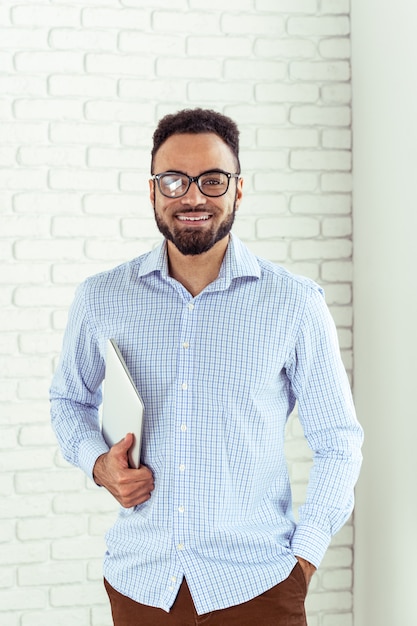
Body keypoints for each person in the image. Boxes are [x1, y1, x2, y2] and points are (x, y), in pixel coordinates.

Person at [50, 108, 363, 625]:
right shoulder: (101, 298)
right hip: (141, 584)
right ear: (153, 191)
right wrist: (97, 463)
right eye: (173, 180)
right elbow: (69, 401)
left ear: (237, 190)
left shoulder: (295, 303)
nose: (192, 197)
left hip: (259, 585)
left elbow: (338, 442)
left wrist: (303, 560)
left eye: (212, 180)